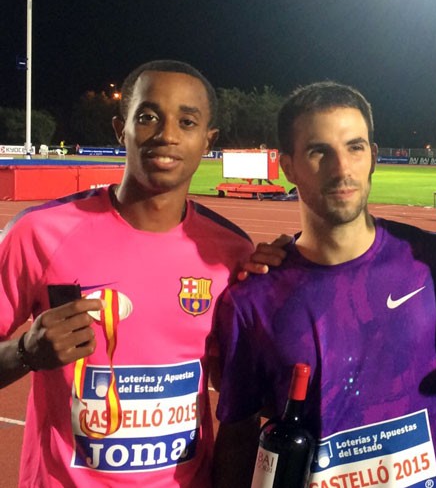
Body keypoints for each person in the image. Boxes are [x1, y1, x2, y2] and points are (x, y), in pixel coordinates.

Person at [211, 82, 436, 487]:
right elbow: (237, 438)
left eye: (355, 147)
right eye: (319, 151)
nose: (341, 169)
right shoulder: (253, 298)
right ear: (288, 166)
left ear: (372, 156)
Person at [0, 60, 254, 486]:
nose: (167, 134)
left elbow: (240, 398)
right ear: (122, 128)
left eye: (187, 121)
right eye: (149, 116)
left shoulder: (232, 253)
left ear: (207, 140)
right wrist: (26, 351)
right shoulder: (38, 234)